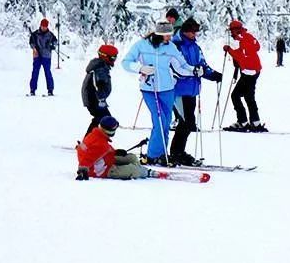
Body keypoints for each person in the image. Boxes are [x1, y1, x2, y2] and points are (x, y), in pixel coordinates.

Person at [121, 21, 197, 164]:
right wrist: (140, 68)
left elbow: (181, 65)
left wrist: (193, 70)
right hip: (149, 88)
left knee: (166, 122)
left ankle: (161, 153)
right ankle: (153, 154)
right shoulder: (141, 45)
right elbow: (126, 62)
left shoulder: (171, 47)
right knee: (159, 120)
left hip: (168, 89)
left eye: (170, 34)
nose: (169, 37)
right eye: (167, 35)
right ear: (159, 34)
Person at [170, 18, 222, 165]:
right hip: (178, 90)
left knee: (189, 123)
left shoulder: (195, 47)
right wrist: (195, 72)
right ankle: (176, 153)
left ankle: (179, 151)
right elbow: (177, 67)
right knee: (185, 122)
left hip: (192, 90)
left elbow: (202, 65)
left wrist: (212, 75)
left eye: (196, 32)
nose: (195, 35)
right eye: (193, 32)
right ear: (186, 31)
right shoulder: (176, 46)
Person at [76, 116, 149, 180]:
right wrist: (82, 170)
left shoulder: (96, 135)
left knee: (132, 157)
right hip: (103, 170)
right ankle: (142, 171)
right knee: (133, 170)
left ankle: (137, 169)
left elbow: (94, 151)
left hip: (106, 160)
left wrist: (115, 152)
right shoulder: (101, 144)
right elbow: (88, 157)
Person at [223, 19, 265, 132]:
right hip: (253, 70)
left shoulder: (243, 38)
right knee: (248, 96)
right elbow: (257, 47)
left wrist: (230, 50)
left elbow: (243, 56)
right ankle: (255, 122)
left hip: (249, 72)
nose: (231, 34)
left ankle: (243, 122)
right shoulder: (247, 36)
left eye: (231, 31)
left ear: (236, 30)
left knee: (236, 95)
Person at [82, 44, 118, 136]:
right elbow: (99, 84)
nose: (114, 60)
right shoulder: (100, 69)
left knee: (103, 118)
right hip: (93, 99)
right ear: (105, 57)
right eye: (113, 58)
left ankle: (93, 140)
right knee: (103, 119)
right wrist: (101, 99)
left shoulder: (101, 66)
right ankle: (89, 141)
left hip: (95, 98)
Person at [29, 18, 58, 96]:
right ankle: (32, 90)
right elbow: (31, 42)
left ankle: (50, 90)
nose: (43, 28)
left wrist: (52, 45)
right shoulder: (35, 34)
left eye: (45, 26)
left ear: (47, 26)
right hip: (37, 55)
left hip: (46, 56)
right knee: (35, 72)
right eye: (42, 26)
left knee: (47, 73)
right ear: (40, 25)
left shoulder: (51, 35)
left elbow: (55, 42)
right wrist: (34, 48)